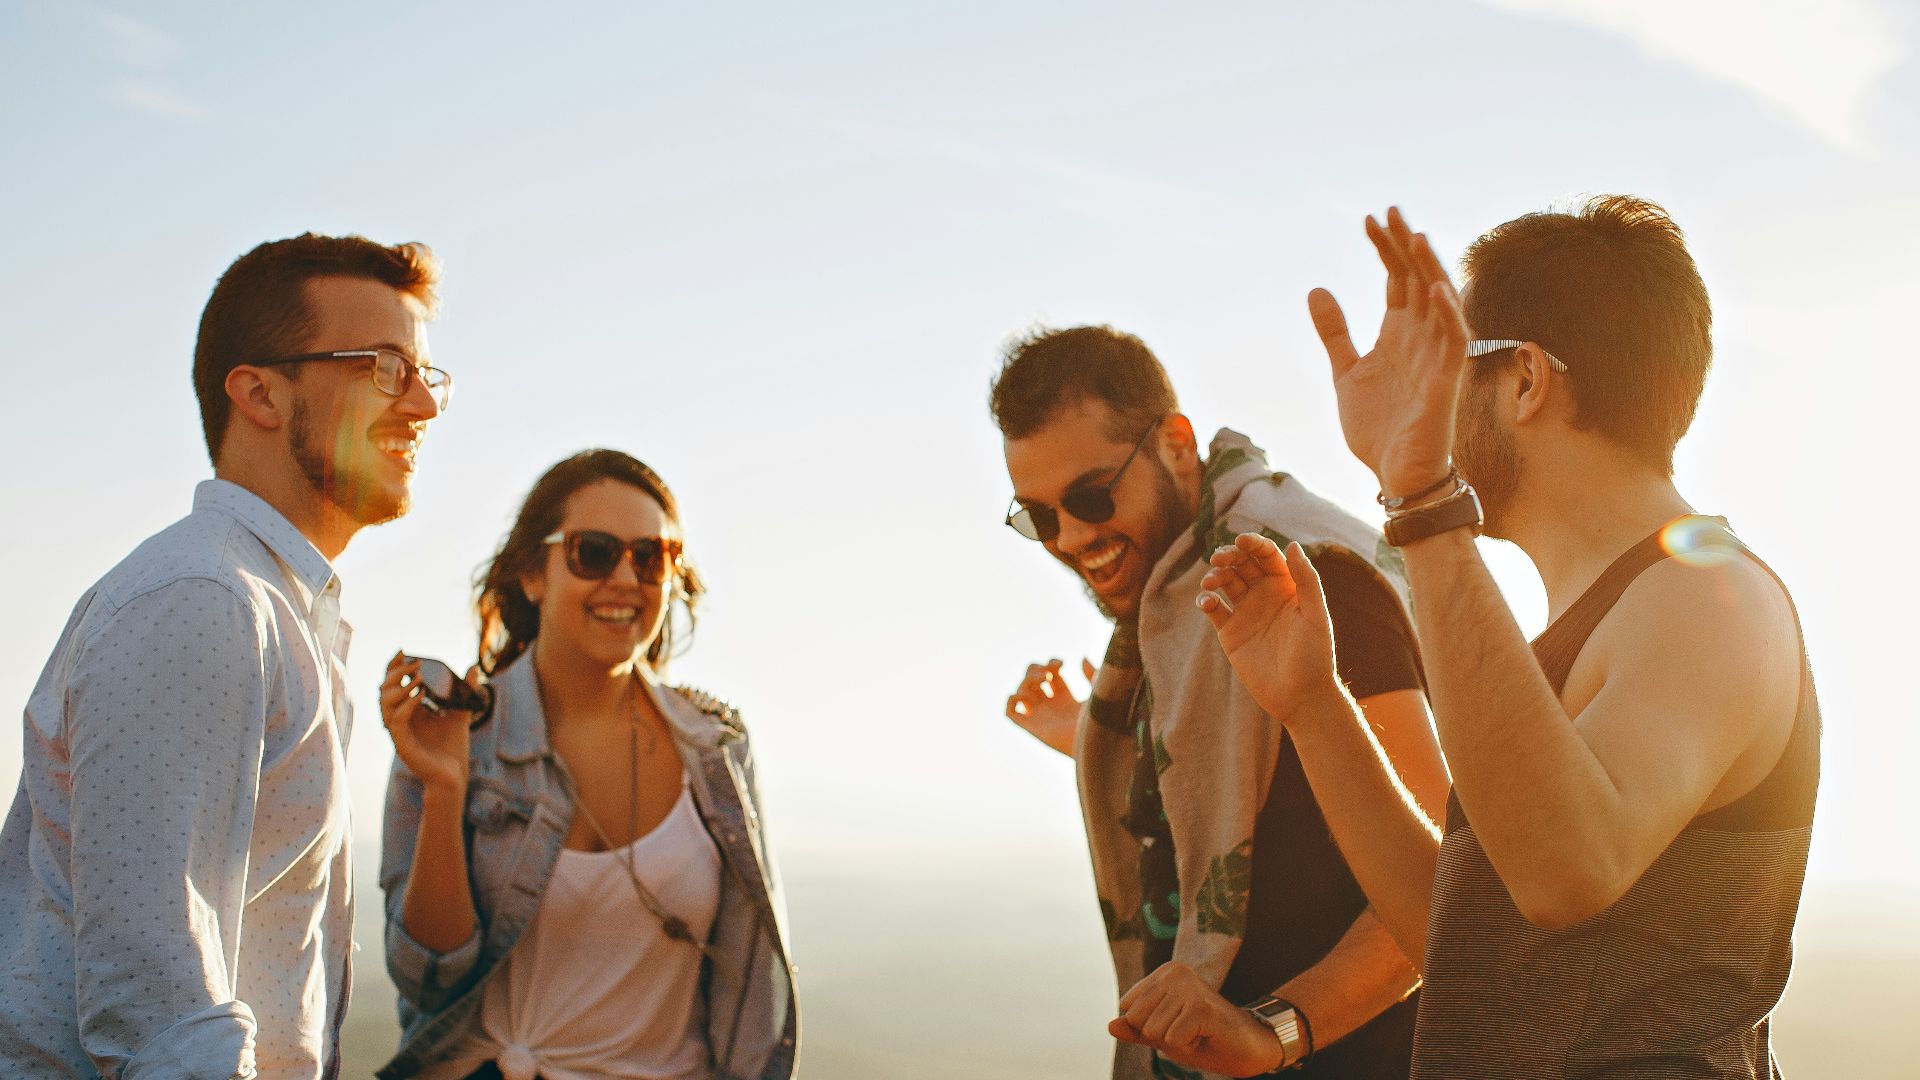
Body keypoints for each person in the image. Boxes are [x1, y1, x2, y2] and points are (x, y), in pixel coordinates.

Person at [1189, 199, 1818, 1078]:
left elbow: (1567, 872)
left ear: (1525, 379)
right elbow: (1469, 945)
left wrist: (1420, 499)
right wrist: (1313, 705)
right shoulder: (1593, 619)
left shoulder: (1710, 594)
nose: (1425, 403)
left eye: (1449, 369)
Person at [0, 233, 448, 1077]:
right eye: (386, 367)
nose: (422, 405)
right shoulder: (202, 599)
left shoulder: (273, 608)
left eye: (428, 376)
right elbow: (161, 1009)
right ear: (260, 394)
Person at [992, 327, 1447, 1079]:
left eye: (1091, 495)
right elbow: (1242, 763)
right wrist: (1097, 736)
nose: (1072, 537)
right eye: (1039, 517)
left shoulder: (1304, 580)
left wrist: (1277, 1031)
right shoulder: (1179, 601)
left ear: (1174, 444)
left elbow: (1439, 883)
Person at [375, 449, 796, 1080]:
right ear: (532, 574)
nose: (627, 579)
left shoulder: (716, 749)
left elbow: (750, 991)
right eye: (594, 552)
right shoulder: (458, 736)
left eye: (652, 557)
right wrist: (443, 788)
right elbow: (429, 979)